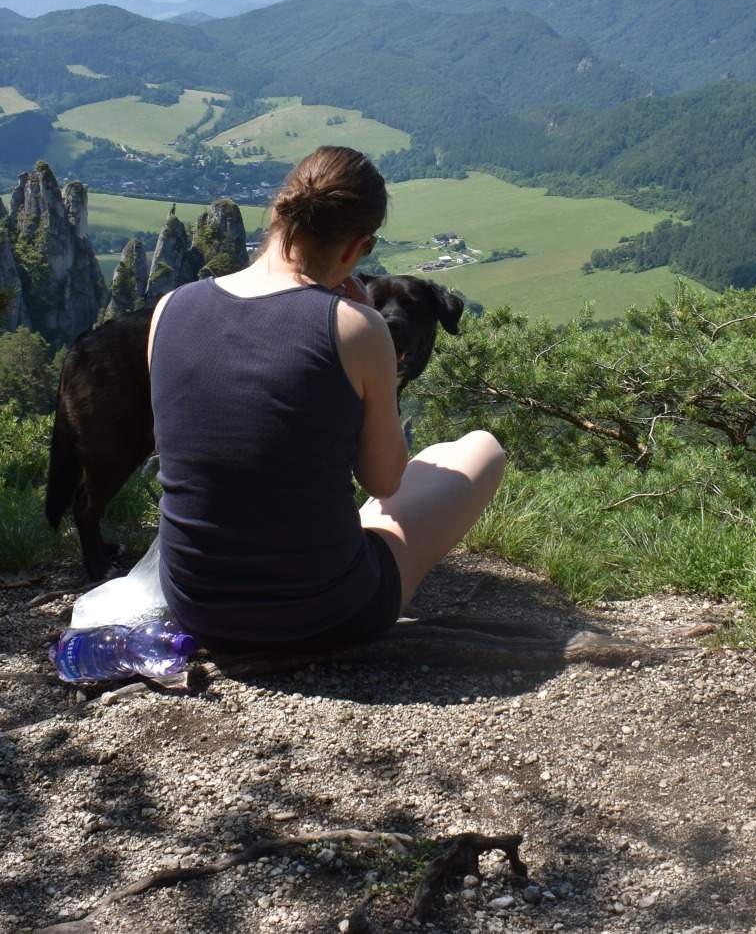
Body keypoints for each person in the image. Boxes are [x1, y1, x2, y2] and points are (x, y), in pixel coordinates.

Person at [147, 145, 505, 651]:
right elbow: (384, 481)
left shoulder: (169, 309)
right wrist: (367, 338)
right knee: (481, 449)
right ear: (358, 246)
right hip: (323, 612)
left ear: (277, 213)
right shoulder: (359, 329)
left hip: (195, 606)